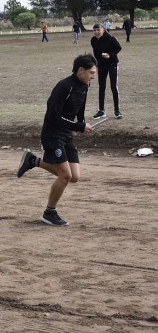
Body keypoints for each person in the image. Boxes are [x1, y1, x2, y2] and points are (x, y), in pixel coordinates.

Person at [17, 54, 97, 226]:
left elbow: (79, 108)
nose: (93, 76)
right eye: (91, 73)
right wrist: (78, 127)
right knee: (65, 175)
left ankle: (33, 160)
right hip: (52, 134)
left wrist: (81, 124)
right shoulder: (64, 86)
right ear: (80, 70)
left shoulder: (84, 85)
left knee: (74, 176)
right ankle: (49, 212)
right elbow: (53, 116)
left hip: (66, 133)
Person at [90, 23, 123, 119]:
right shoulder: (93, 40)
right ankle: (101, 111)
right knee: (101, 87)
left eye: (98, 30)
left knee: (113, 86)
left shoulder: (110, 38)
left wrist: (110, 54)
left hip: (113, 64)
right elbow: (95, 53)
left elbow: (118, 48)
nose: (96, 32)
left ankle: (117, 111)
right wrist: (97, 63)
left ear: (103, 30)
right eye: (94, 30)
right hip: (101, 65)